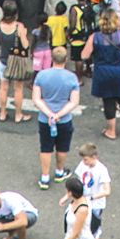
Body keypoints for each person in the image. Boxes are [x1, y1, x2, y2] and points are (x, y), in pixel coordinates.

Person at [83, 11, 120, 139]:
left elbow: (84, 55)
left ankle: (111, 131)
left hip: (103, 72)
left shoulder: (94, 37)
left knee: (108, 101)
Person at [31, 50, 80, 185]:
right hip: (64, 119)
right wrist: (59, 114)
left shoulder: (41, 75)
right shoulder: (72, 77)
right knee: (62, 147)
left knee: (45, 147)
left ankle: (45, 177)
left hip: (45, 119)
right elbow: (74, 101)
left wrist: (50, 114)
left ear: (52, 58)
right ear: (66, 59)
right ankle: (59, 171)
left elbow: (36, 99)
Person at [69, 143, 110, 239]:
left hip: (94, 207)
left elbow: (107, 190)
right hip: (82, 203)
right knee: (80, 227)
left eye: (86, 159)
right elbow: (79, 182)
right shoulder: (83, 165)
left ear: (94, 157)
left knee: (94, 234)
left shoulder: (102, 170)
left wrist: (91, 198)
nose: (84, 162)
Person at [0, 2, 34, 124]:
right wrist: (24, 34)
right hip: (16, 62)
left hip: (3, 61)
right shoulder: (19, 26)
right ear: (16, 13)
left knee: (3, 88)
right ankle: (18, 115)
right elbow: (26, 45)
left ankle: (2, 113)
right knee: (18, 89)